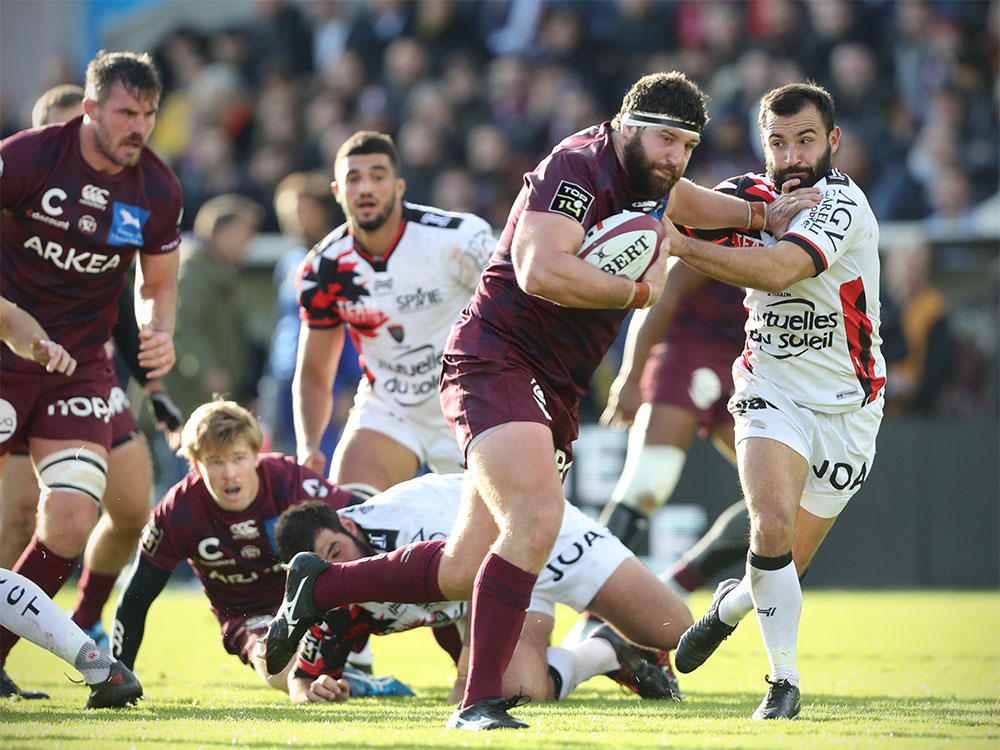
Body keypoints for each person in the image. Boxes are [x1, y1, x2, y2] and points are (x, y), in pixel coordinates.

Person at [264, 71, 811, 730]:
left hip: (555, 383)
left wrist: (757, 215)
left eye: (686, 146)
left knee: (466, 564)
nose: (674, 157)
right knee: (534, 519)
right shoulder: (577, 168)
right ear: (626, 126)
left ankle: (319, 586)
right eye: (664, 140)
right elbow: (539, 268)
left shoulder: (654, 175)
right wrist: (639, 293)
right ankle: (477, 706)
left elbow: (682, 202)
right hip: (497, 358)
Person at [667, 82, 884, 720]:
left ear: (833, 142)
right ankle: (782, 683)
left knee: (781, 563)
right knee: (770, 525)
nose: (791, 155)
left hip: (850, 407)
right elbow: (676, 200)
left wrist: (679, 245)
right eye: (778, 141)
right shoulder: (749, 197)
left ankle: (727, 606)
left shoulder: (843, 206)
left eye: (806, 140)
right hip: (768, 387)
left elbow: (776, 271)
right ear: (764, 144)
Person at [0, 51, 182, 683]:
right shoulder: (27, 157)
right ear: (90, 107)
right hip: (2, 352)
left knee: (75, 517)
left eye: (150, 114)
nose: (140, 126)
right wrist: (10, 320)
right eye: (126, 112)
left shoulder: (158, 189)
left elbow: (157, 283)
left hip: (78, 366)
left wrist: (159, 330)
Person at [270, 473, 691, 706]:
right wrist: (314, 692)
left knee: (676, 629)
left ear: (346, 524)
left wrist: (465, 681)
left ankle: (624, 636)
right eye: (328, 564)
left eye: (336, 550)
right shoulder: (326, 590)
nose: (341, 567)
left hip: (538, 534)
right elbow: (303, 681)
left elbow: (475, 574)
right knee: (522, 691)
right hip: (496, 585)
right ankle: (606, 649)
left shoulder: (406, 524)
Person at [110, 401, 360, 692]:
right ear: (195, 463)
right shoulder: (177, 511)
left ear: (256, 455)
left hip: (311, 600)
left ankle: (353, 664)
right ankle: (324, 684)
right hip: (248, 615)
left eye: (238, 458)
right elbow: (136, 594)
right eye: (216, 461)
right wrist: (118, 676)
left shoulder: (287, 480)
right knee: (272, 655)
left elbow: (360, 518)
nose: (229, 473)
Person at [293, 130, 495, 489]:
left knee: (508, 529)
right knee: (351, 522)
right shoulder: (322, 269)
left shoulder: (457, 238)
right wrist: (308, 445)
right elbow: (313, 372)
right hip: (390, 408)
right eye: (354, 179)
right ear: (337, 192)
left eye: (377, 176)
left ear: (399, 187)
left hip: (471, 402)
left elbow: (520, 309)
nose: (366, 188)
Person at [0, 300, 141, 707]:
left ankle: (97, 661)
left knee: (90, 516)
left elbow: (10, 318)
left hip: (57, 379)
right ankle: (100, 666)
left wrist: (39, 345)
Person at [161, 193, 264, 420]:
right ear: (221, 232)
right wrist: (208, 370)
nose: (250, 242)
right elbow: (184, 325)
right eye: (245, 233)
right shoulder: (193, 268)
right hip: (184, 400)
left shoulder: (219, 270)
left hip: (201, 399)